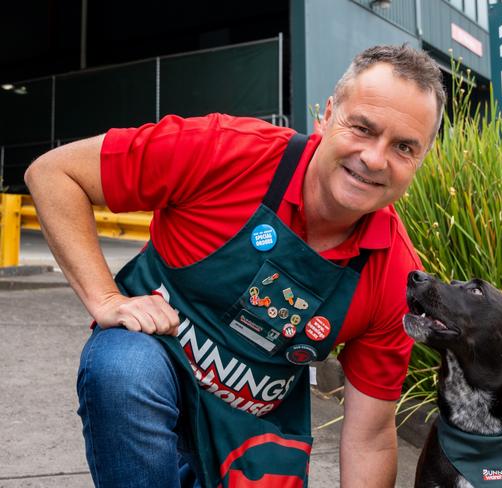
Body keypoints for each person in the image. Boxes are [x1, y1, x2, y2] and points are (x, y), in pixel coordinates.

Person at [25, 44, 446, 487]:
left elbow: (371, 439)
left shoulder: (393, 273)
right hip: (153, 367)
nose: (375, 159)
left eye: (403, 147)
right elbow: (55, 174)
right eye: (362, 127)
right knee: (122, 372)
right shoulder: (224, 150)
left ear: (420, 160)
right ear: (326, 115)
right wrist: (105, 297)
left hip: (252, 439)